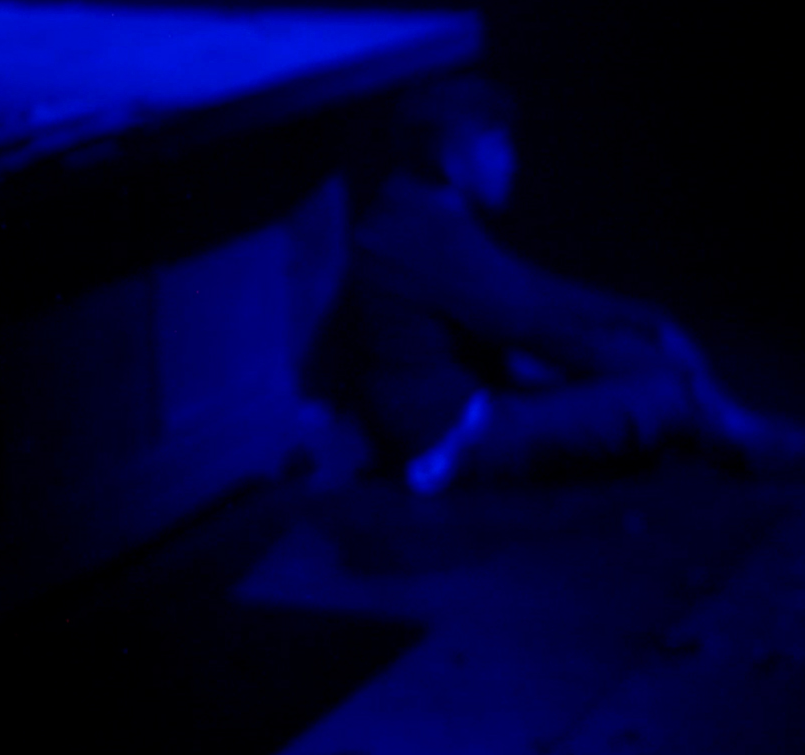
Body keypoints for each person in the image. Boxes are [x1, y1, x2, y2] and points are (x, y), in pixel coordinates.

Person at [333, 76, 804, 493]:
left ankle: (737, 427)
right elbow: (540, 328)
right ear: (453, 163)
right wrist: (649, 358)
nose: (511, 163)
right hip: (455, 439)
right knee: (668, 392)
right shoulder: (425, 232)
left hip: (467, 408)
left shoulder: (418, 212)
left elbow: (531, 289)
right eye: (497, 147)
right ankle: (751, 440)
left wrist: (642, 319)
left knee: (645, 361)